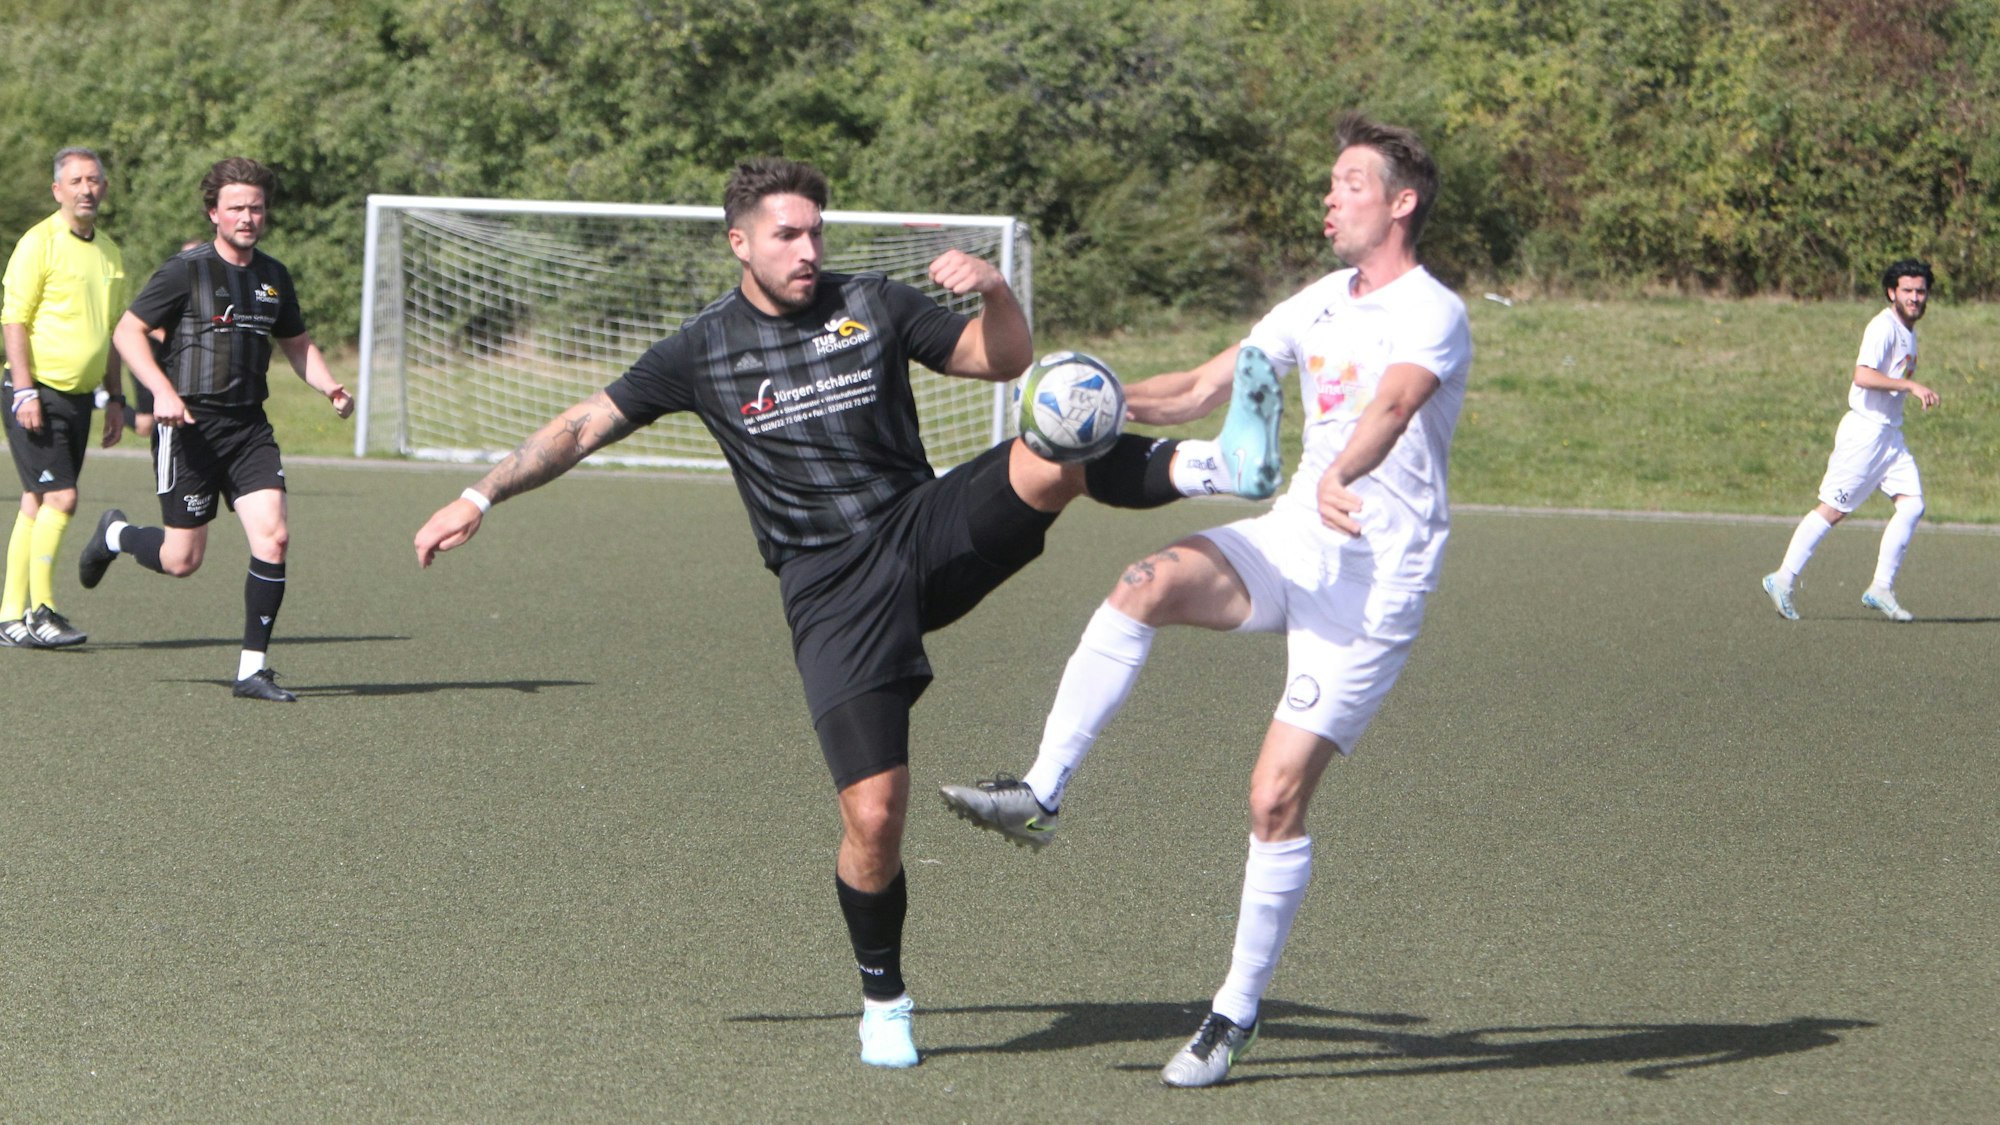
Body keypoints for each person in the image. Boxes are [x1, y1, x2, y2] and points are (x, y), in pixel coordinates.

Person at [411, 156, 1284, 1070]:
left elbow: (1004, 359)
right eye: (787, 233)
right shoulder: (700, 349)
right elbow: (580, 425)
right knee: (874, 816)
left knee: (1051, 429)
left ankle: (1211, 468)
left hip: (923, 527)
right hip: (830, 591)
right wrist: (479, 496)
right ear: (739, 241)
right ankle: (885, 997)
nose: (807, 248)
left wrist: (993, 290)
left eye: (815, 230)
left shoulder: (871, 302)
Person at [940, 114, 1473, 1088]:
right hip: (1293, 544)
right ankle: (1040, 792)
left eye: (1348, 182)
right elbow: (1192, 389)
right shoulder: (1313, 304)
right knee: (1142, 583)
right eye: (1330, 180)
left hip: (1373, 582)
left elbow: (1392, 407)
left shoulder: (1430, 312)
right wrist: (1087, 390)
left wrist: (1338, 468)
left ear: (1399, 202)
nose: (1329, 195)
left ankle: (1232, 1014)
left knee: (1272, 801)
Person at [77, 157, 354, 700]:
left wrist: (329, 387)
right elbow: (128, 333)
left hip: (249, 428)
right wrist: (161, 391)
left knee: (273, 536)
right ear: (214, 214)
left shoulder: (275, 277)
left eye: (255, 207)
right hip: (188, 429)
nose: (247, 217)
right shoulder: (185, 270)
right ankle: (115, 535)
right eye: (235, 209)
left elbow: (296, 344)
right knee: (183, 560)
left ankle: (252, 669)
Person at [1761, 259, 1939, 622]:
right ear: (1892, 292)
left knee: (1912, 505)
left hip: (1890, 435)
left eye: (1920, 291)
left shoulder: (1908, 331)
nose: (1915, 297)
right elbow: (1862, 375)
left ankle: (1880, 587)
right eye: (1907, 290)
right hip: (1866, 433)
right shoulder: (1883, 327)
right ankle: (1782, 579)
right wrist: (1909, 385)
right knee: (1833, 510)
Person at [1, 146, 127, 649]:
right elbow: (14, 319)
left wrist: (115, 397)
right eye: (75, 181)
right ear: (58, 190)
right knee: (62, 497)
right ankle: (42, 611)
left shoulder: (111, 253)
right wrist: (25, 388)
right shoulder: (39, 243)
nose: (86, 189)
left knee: (37, 500)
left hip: (79, 398)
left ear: (104, 189)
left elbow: (116, 331)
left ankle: (9, 615)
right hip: (37, 392)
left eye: (93, 180)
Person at [125, 238, 212, 439]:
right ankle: (104, 398)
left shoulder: (212, 289)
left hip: (180, 369)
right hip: (150, 361)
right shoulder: (170, 283)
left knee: (152, 426)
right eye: (187, 254)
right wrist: (171, 339)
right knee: (144, 424)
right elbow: (133, 325)